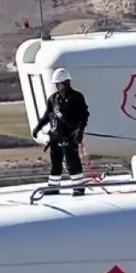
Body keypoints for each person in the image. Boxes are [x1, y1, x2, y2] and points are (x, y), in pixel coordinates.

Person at [32, 67, 90, 196]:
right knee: (56, 162)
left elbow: (84, 115)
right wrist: (38, 128)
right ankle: (53, 186)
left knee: (72, 161)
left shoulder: (77, 97)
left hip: (70, 136)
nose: (57, 87)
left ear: (66, 83)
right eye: (56, 84)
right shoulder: (53, 99)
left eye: (59, 84)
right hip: (55, 136)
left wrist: (80, 131)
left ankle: (78, 187)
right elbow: (48, 115)